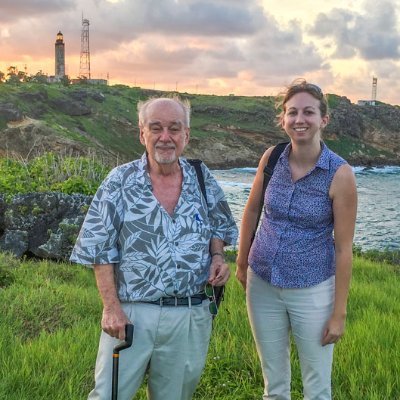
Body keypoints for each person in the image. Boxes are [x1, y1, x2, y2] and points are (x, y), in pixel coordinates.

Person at [70, 96, 238, 400]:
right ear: (141, 133)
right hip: (132, 313)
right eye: (156, 128)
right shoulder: (118, 181)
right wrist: (111, 308)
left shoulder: (202, 178)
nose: (165, 137)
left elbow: (219, 225)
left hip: (190, 313)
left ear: (186, 135)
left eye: (174, 128)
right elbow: (98, 248)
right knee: (109, 394)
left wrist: (217, 256)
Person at [236, 79, 357, 400]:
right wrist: (241, 262)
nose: (299, 119)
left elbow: (344, 249)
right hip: (261, 282)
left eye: (308, 112)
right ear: (283, 119)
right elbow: (251, 211)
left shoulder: (339, 174)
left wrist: (339, 312)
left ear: (323, 119)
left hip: (312, 290)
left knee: (317, 387)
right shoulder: (271, 157)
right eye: (292, 112)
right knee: (273, 384)